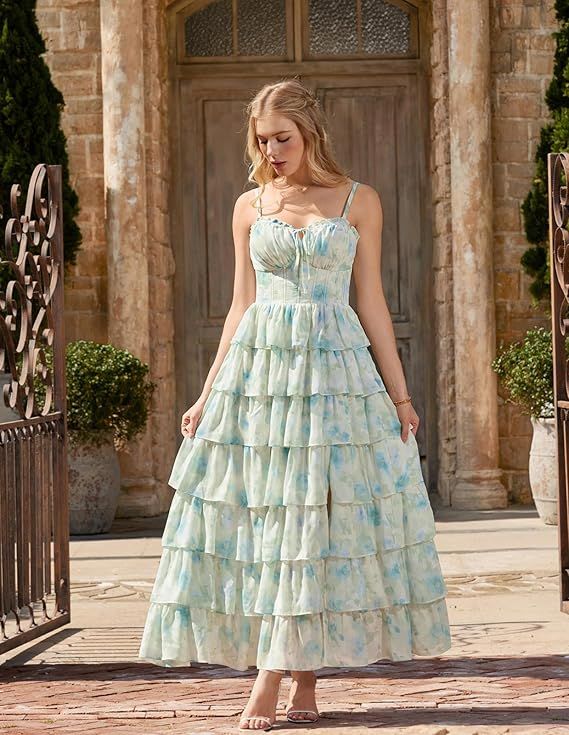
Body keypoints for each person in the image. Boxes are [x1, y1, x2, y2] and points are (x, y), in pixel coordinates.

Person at [138, 77, 452, 731]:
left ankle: (288, 676)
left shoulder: (358, 200)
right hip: (263, 381)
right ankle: (286, 673)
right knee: (275, 526)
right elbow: (240, 305)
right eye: (262, 141)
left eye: (282, 138)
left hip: (336, 379)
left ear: (309, 132)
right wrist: (206, 393)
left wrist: (400, 395)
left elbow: (370, 302)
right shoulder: (249, 206)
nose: (271, 152)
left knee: (319, 525)